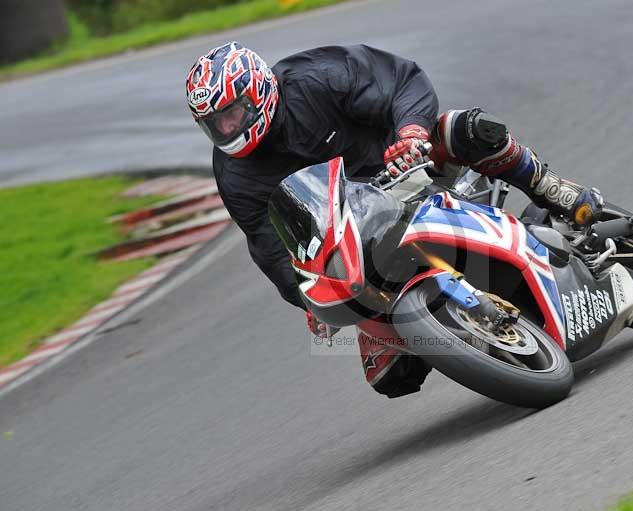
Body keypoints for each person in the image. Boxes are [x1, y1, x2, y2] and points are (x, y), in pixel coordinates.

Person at [186, 42, 603, 397]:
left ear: (257, 91)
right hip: (356, 240)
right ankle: (469, 330)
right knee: (390, 376)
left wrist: (410, 133)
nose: (226, 129)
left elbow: (403, 81)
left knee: (466, 128)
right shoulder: (234, 175)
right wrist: (305, 295)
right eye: (215, 124)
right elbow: (270, 243)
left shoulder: (318, 77)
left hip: (408, 169)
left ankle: (547, 184)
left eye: (232, 114)